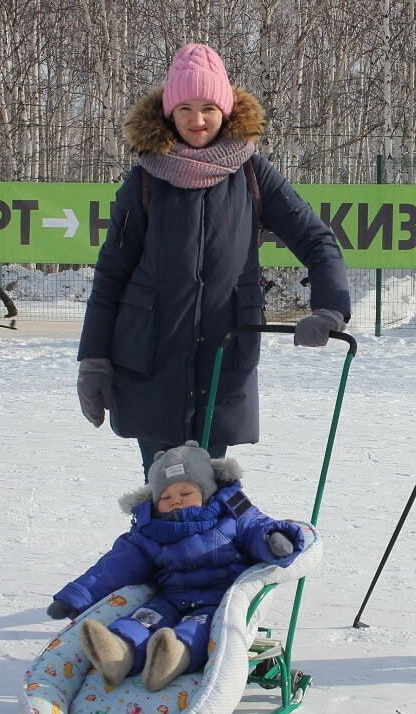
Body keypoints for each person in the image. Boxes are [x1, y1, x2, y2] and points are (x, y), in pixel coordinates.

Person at [76, 43, 351, 476]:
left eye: (207, 106)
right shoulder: (146, 178)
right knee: (164, 498)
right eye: (184, 107)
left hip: (224, 363)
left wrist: (330, 306)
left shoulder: (252, 174)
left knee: (210, 498)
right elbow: (111, 273)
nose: (196, 119)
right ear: (169, 112)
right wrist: (93, 359)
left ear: (226, 108)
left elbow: (317, 240)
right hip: (150, 366)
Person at [45, 441, 307, 691]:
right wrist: (77, 596)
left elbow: (257, 527)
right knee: (141, 621)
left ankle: (174, 656)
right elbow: (112, 569)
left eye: (185, 492)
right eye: (166, 496)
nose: (176, 500)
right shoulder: (148, 532)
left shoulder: (232, 515)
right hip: (169, 600)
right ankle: (118, 652)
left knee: (197, 630)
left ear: (206, 492)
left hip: (217, 602)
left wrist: (273, 540)